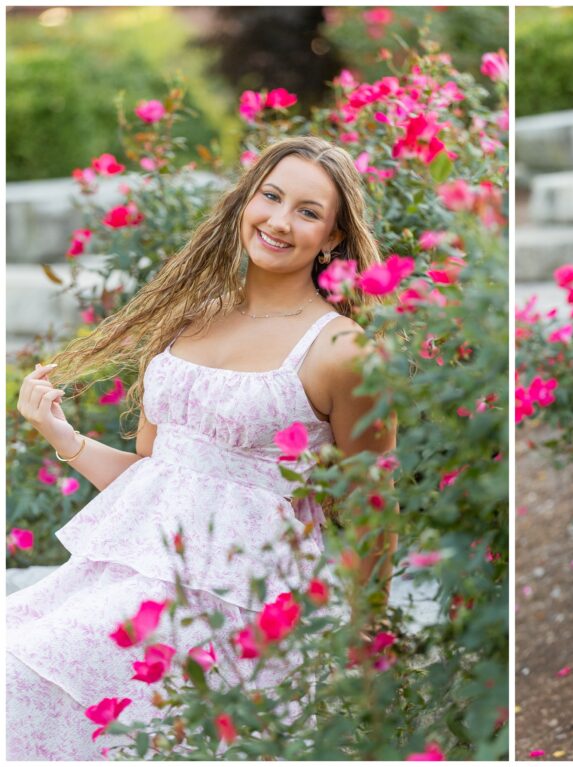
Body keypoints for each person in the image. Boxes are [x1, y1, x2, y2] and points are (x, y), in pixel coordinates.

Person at [8, 136, 397, 759]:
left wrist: (366, 648)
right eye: (270, 197)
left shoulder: (340, 351)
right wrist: (64, 437)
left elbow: (373, 509)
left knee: (22, 670)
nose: (278, 221)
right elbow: (153, 476)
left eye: (307, 211)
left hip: (235, 604)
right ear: (245, 201)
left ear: (332, 237)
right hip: (137, 575)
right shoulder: (191, 319)